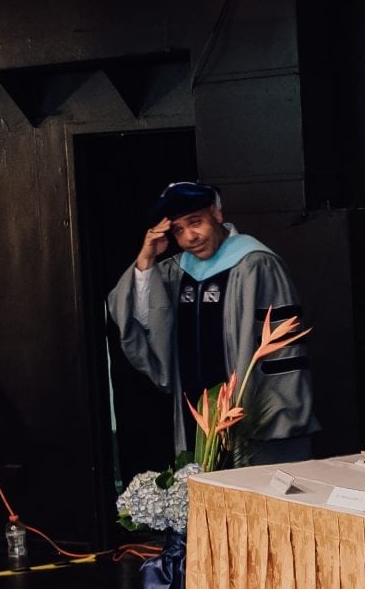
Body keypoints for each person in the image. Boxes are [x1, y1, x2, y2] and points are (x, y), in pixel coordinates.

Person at [106, 180, 316, 463]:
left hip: (253, 423)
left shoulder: (255, 265)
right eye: (178, 230)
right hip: (196, 419)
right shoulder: (177, 272)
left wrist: (268, 413)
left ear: (217, 214)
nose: (190, 237)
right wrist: (146, 261)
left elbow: (279, 352)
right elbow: (144, 320)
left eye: (196, 222)